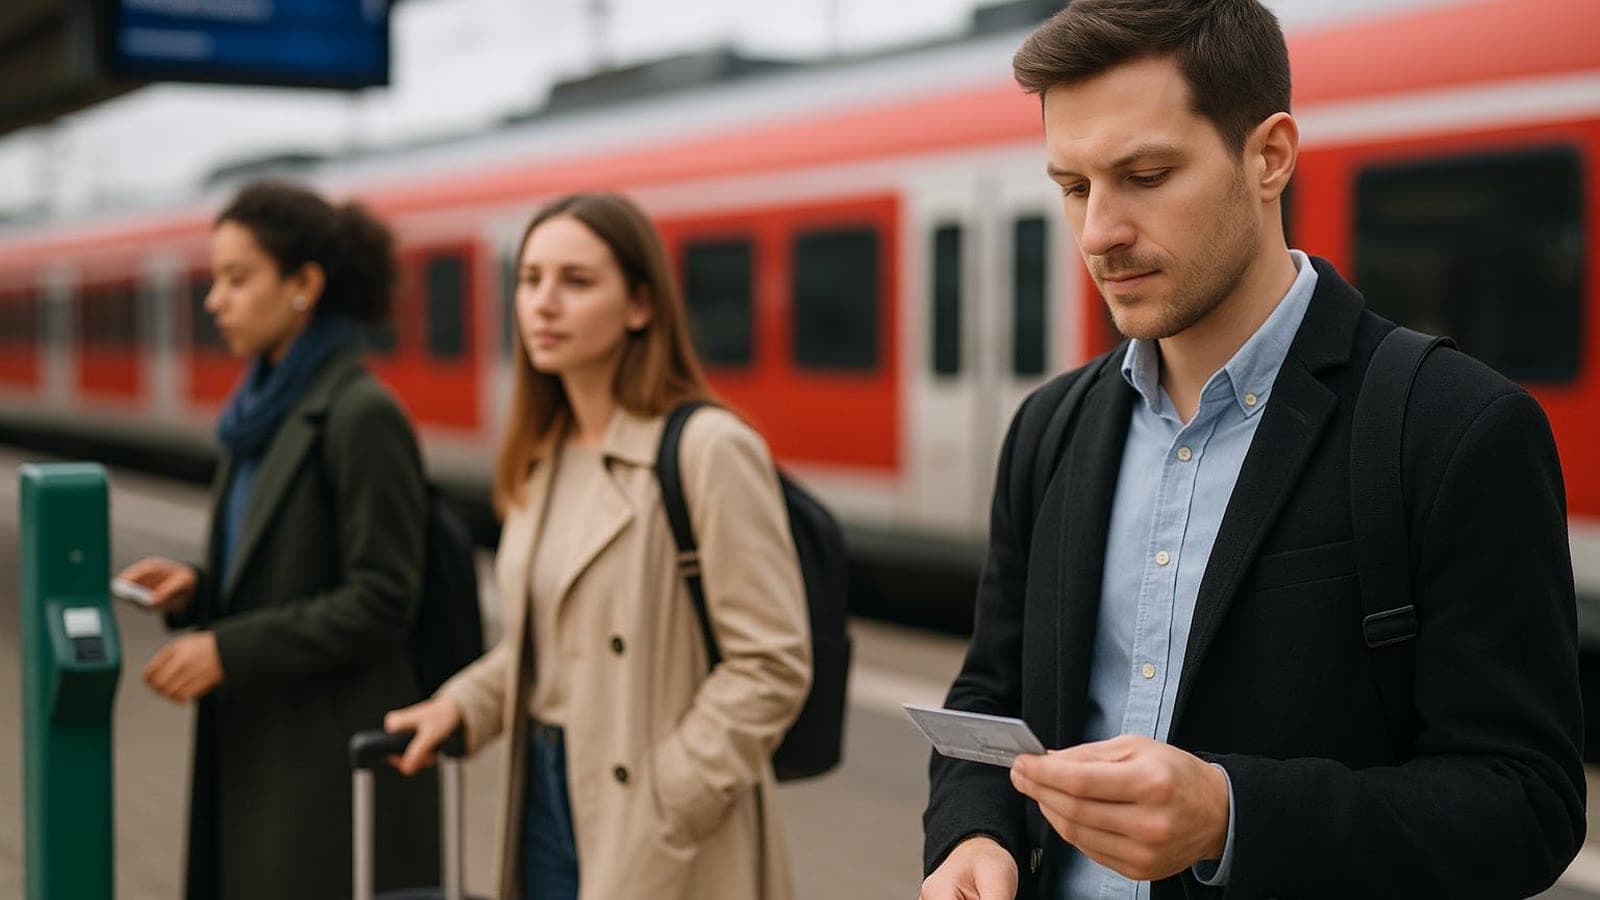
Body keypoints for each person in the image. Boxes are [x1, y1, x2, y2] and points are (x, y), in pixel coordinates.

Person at [920, 2, 1585, 898]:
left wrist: (1232, 816)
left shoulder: (1455, 427)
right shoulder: (1049, 429)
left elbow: (1528, 803)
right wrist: (975, 835)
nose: (1098, 232)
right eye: (1074, 187)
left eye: (1146, 175)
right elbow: (989, 697)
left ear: (1269, 156)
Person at [383, 192, 811, 900]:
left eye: (576, 282)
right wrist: (462, 705)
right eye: (530, 279)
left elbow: (772, 664)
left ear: (640, 305)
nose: (543, 304)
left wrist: (670, 796)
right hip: (543, 794)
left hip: (660, 817)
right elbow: (553, 639)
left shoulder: (708, 448)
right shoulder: (542, 454)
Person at [116, 181, 439, 899]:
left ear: (304, 286)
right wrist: (201, 590)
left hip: (323, 767)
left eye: (237, 279)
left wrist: (227, 649)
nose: (215, 301)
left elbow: (383, 597)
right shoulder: (256, 418)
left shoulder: (359, 414)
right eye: (216, 280)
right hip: (259, 747)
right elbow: (285, 566)